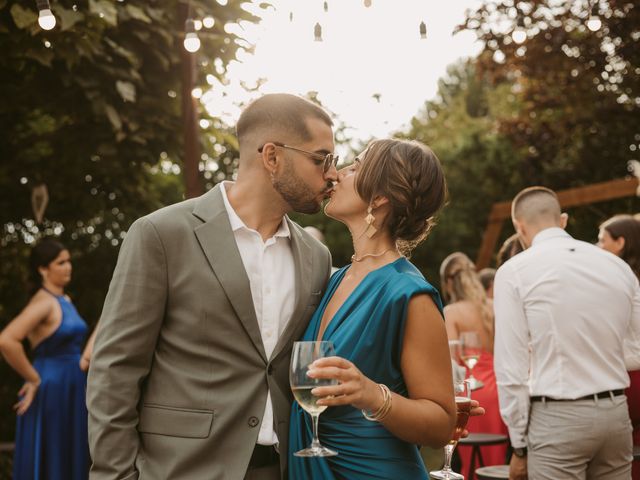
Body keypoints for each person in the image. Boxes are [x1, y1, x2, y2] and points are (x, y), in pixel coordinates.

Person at [86, 93, 338, 480]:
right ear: (271, 156)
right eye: (321, 159)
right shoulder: (161, 234)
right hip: (180, 469)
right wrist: (115, 475)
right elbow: (114, 370)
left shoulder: (315, 255)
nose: (331, 174)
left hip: (282, 468)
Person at [288, 138, 481, 479]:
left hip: (371, 470)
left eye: (356, 166)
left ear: (378, 198)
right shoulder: (336, 277)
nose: (337, 174)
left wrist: (370, 394)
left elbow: (440, 424)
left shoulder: (408, 292)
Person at [493, 186, 640, 480]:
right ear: (563, 220)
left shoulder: (514, 272)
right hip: (615, 415)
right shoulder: (618, 267)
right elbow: (636, 349)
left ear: (518, 226)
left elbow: (512, 369)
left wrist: (519, 446)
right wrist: (593, 356)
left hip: (558, 418)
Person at [0, 239, 90, 480]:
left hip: (72, 385)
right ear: (43, 269)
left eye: (69, 261)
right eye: (61, 262)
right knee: (54, 455)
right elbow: (7, 340)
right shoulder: (44, 302)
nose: (68, 267)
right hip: (52, 388)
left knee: (71, 454)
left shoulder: (65, 300)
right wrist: (33, 378)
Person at [439, 252, 508, 470]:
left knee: (471, 460)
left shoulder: (451, 312)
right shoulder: (494, 306)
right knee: (498, 459)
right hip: (500, 388)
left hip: (473, 392)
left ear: (449, 282)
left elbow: (451, 361)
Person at [598, 214, 640, 480]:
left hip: (627, 379)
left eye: (602, 240)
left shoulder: (614, 282)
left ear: (620, 243)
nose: (597, 246)